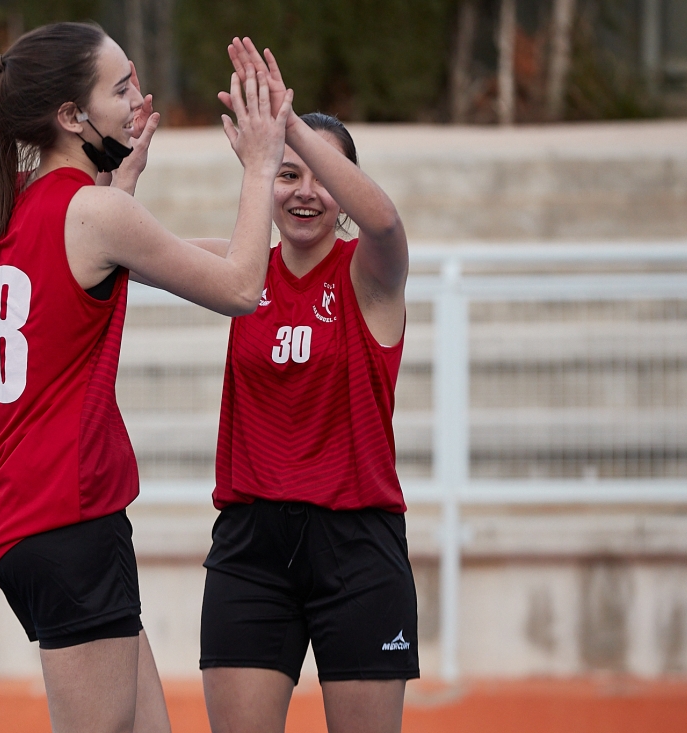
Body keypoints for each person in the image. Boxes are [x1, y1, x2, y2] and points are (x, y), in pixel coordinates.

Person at [0, 22, 293, 733]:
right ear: (70, 117)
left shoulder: (10, 203)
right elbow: (239, 285)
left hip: (32, 515)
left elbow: (156, 253)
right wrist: (262, 165)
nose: (139, 100)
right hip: (66, 515)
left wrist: (123, 180)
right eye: (121, 88)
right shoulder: (96, 212)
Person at [197, 39, 416, 733]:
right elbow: (137, 251)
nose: (305, 191)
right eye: (286, 175)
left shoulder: (369, 274)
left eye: (321, 175)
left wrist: (288, 127)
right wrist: (118, 173)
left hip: (356, 545)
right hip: (251, 546)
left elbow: (383, 218)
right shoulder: (242, 273)